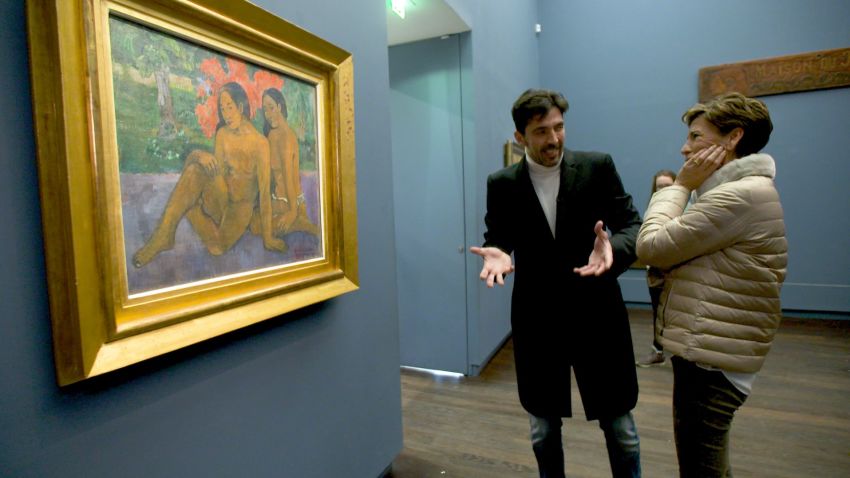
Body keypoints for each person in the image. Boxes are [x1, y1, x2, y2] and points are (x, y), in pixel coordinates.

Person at [470, 89, 643, 478]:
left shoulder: (598, 166)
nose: (553, 139)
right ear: (520, 137)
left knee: (621, 428)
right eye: (541, 131)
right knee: (543, 431)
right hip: (538, 318)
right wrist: (496, 250)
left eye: (559, 127)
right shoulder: (502, 183)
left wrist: (612, 248)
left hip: (597, 312)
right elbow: (498, 235)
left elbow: (633, 224)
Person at [636, 92, 787, 477]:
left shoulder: (739, 196)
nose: (685, 148)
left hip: (712, 359)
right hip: (711, 349)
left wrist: (679, 187)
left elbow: (651, 247)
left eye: (696, 137)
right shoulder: (741, 191)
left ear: (733, 138)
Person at [133, 82, 286, 267]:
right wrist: (199, 155)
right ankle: (163, 235)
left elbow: (264, 194)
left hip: (240, 209)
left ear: (241, 107)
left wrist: (268, 237)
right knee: (196, 169)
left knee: (216, 248)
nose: (226, 114)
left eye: (230, 107)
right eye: (222, 109)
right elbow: (215, 172)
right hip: (221, 199)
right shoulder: (222, 134)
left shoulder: (260, 144)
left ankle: (191, 207)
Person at [250, 88, 319, 238]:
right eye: (265, 110)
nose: (268, 114)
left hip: (289, 203)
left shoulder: (286, 137)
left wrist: (292, 212)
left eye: (271, 108)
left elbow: (288, 178)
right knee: (249, 219)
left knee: (254, 226)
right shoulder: (272, 135)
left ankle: (303, 224)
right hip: (277, 200)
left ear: (280, 107)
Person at [636, 169, 676, 367]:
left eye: (667, 186)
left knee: (676, 315)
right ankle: (657, 351)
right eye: (660, 186)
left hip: (675, 271)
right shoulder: (652, 209)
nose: (663, 190)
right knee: (657, 314)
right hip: (655, 271)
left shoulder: (682, 208)